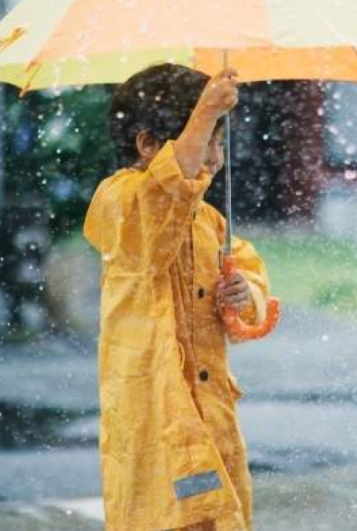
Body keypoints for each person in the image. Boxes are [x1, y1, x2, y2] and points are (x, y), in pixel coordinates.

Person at [83, 63, 271, 531]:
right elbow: (162, 200)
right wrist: (206, 109)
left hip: (208, 410)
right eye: (206, 139)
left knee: (217, 513)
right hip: (155, 411)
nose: (215, 157)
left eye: (220, 143)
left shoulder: (208, 220)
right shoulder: (119, 200)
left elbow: (251, 279)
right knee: (163, 515)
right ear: (147, 144)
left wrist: (244, 294)